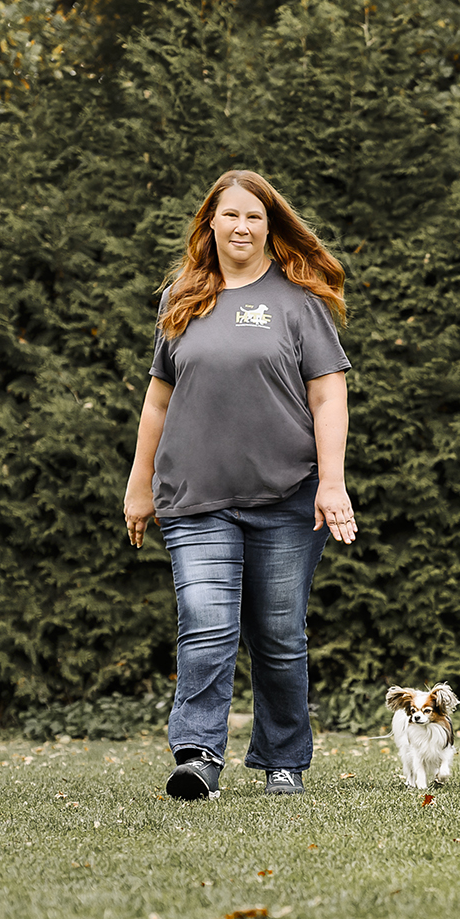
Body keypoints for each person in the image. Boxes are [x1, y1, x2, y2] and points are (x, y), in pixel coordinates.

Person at [122, 170, 358, 801]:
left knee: (279, 635)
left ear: (269, 226)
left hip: (286, 498)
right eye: (229, 216)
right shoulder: (181, 298)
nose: (241, 227)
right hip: (194, 496)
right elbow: (157, 401)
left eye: (254, 217)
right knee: (205, 622)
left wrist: (330, 484)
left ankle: (284, 758)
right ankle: (198, 754)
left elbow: (329, 394)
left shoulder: (298, 302)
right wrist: (138, 484)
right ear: (211, 225)